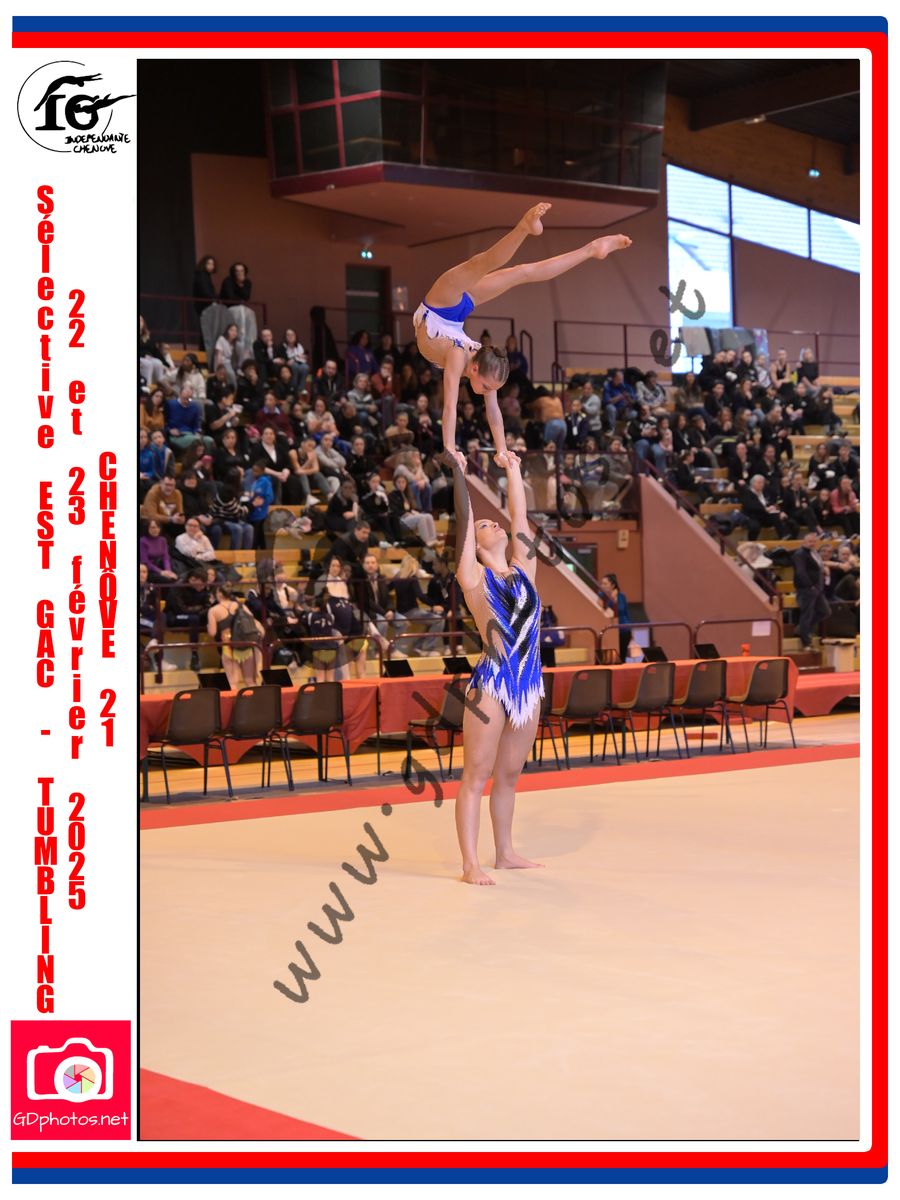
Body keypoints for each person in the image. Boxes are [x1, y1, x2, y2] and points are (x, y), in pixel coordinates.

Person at [413, 202, 632, 471]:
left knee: (521, 273)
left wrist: (502, 450)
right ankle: (524, 227)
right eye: (488, 387)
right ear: (475, 369)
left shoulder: (483, 361)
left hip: (450, 319)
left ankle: (591, 249)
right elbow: (450, 406)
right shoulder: (460, 357)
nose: (489, 393)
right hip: (440, 303)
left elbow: (493, 411)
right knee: (481, 263)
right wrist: (449, 448)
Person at [452, 450, 544, 885]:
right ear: (474, 543)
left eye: (495, 521)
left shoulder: (526, 568)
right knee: (477, 774)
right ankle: (470, 863)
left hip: (528, 684)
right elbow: (464, 519)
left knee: (509, 775)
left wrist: (513, 469)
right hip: (491, 682)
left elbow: (520, 517)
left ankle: (505, 852)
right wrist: (460, 472)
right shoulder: (473, 576)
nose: (495, 523)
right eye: (484, 524)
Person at [207, 585, 264, 689]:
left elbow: (212, 632)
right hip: (245, 645)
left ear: (220, 594)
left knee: (232, 683)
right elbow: (252, 620)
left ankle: (234, 700)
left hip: (229, 647)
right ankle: (255, 699)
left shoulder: (214, 610)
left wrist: (208, 626)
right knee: (250, 681)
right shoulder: (241, 606)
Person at [793, 532, 832, 648]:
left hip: (817, 589)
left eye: (814, 541)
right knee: (807, 614)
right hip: (807, 589)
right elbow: (800, 572)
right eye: (810, 541)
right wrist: (810, 585)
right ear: (804, 542)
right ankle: (806, 642)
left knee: (825, 611)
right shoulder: (800, 554)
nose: (812, 543)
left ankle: (801, 629)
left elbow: (817, 567)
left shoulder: (814, 553)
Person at [599, 573, 632, 662]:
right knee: (613, 658)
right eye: (602, 583)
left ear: (613, 585)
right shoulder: (601, 596)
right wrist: (612, 599)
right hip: (612, 631)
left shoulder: (622, 596)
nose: (602, 586)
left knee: (622, 657)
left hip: (624, 630)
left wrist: (630, 628)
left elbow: (626, 613)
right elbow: (606, 611)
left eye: (605, 584)